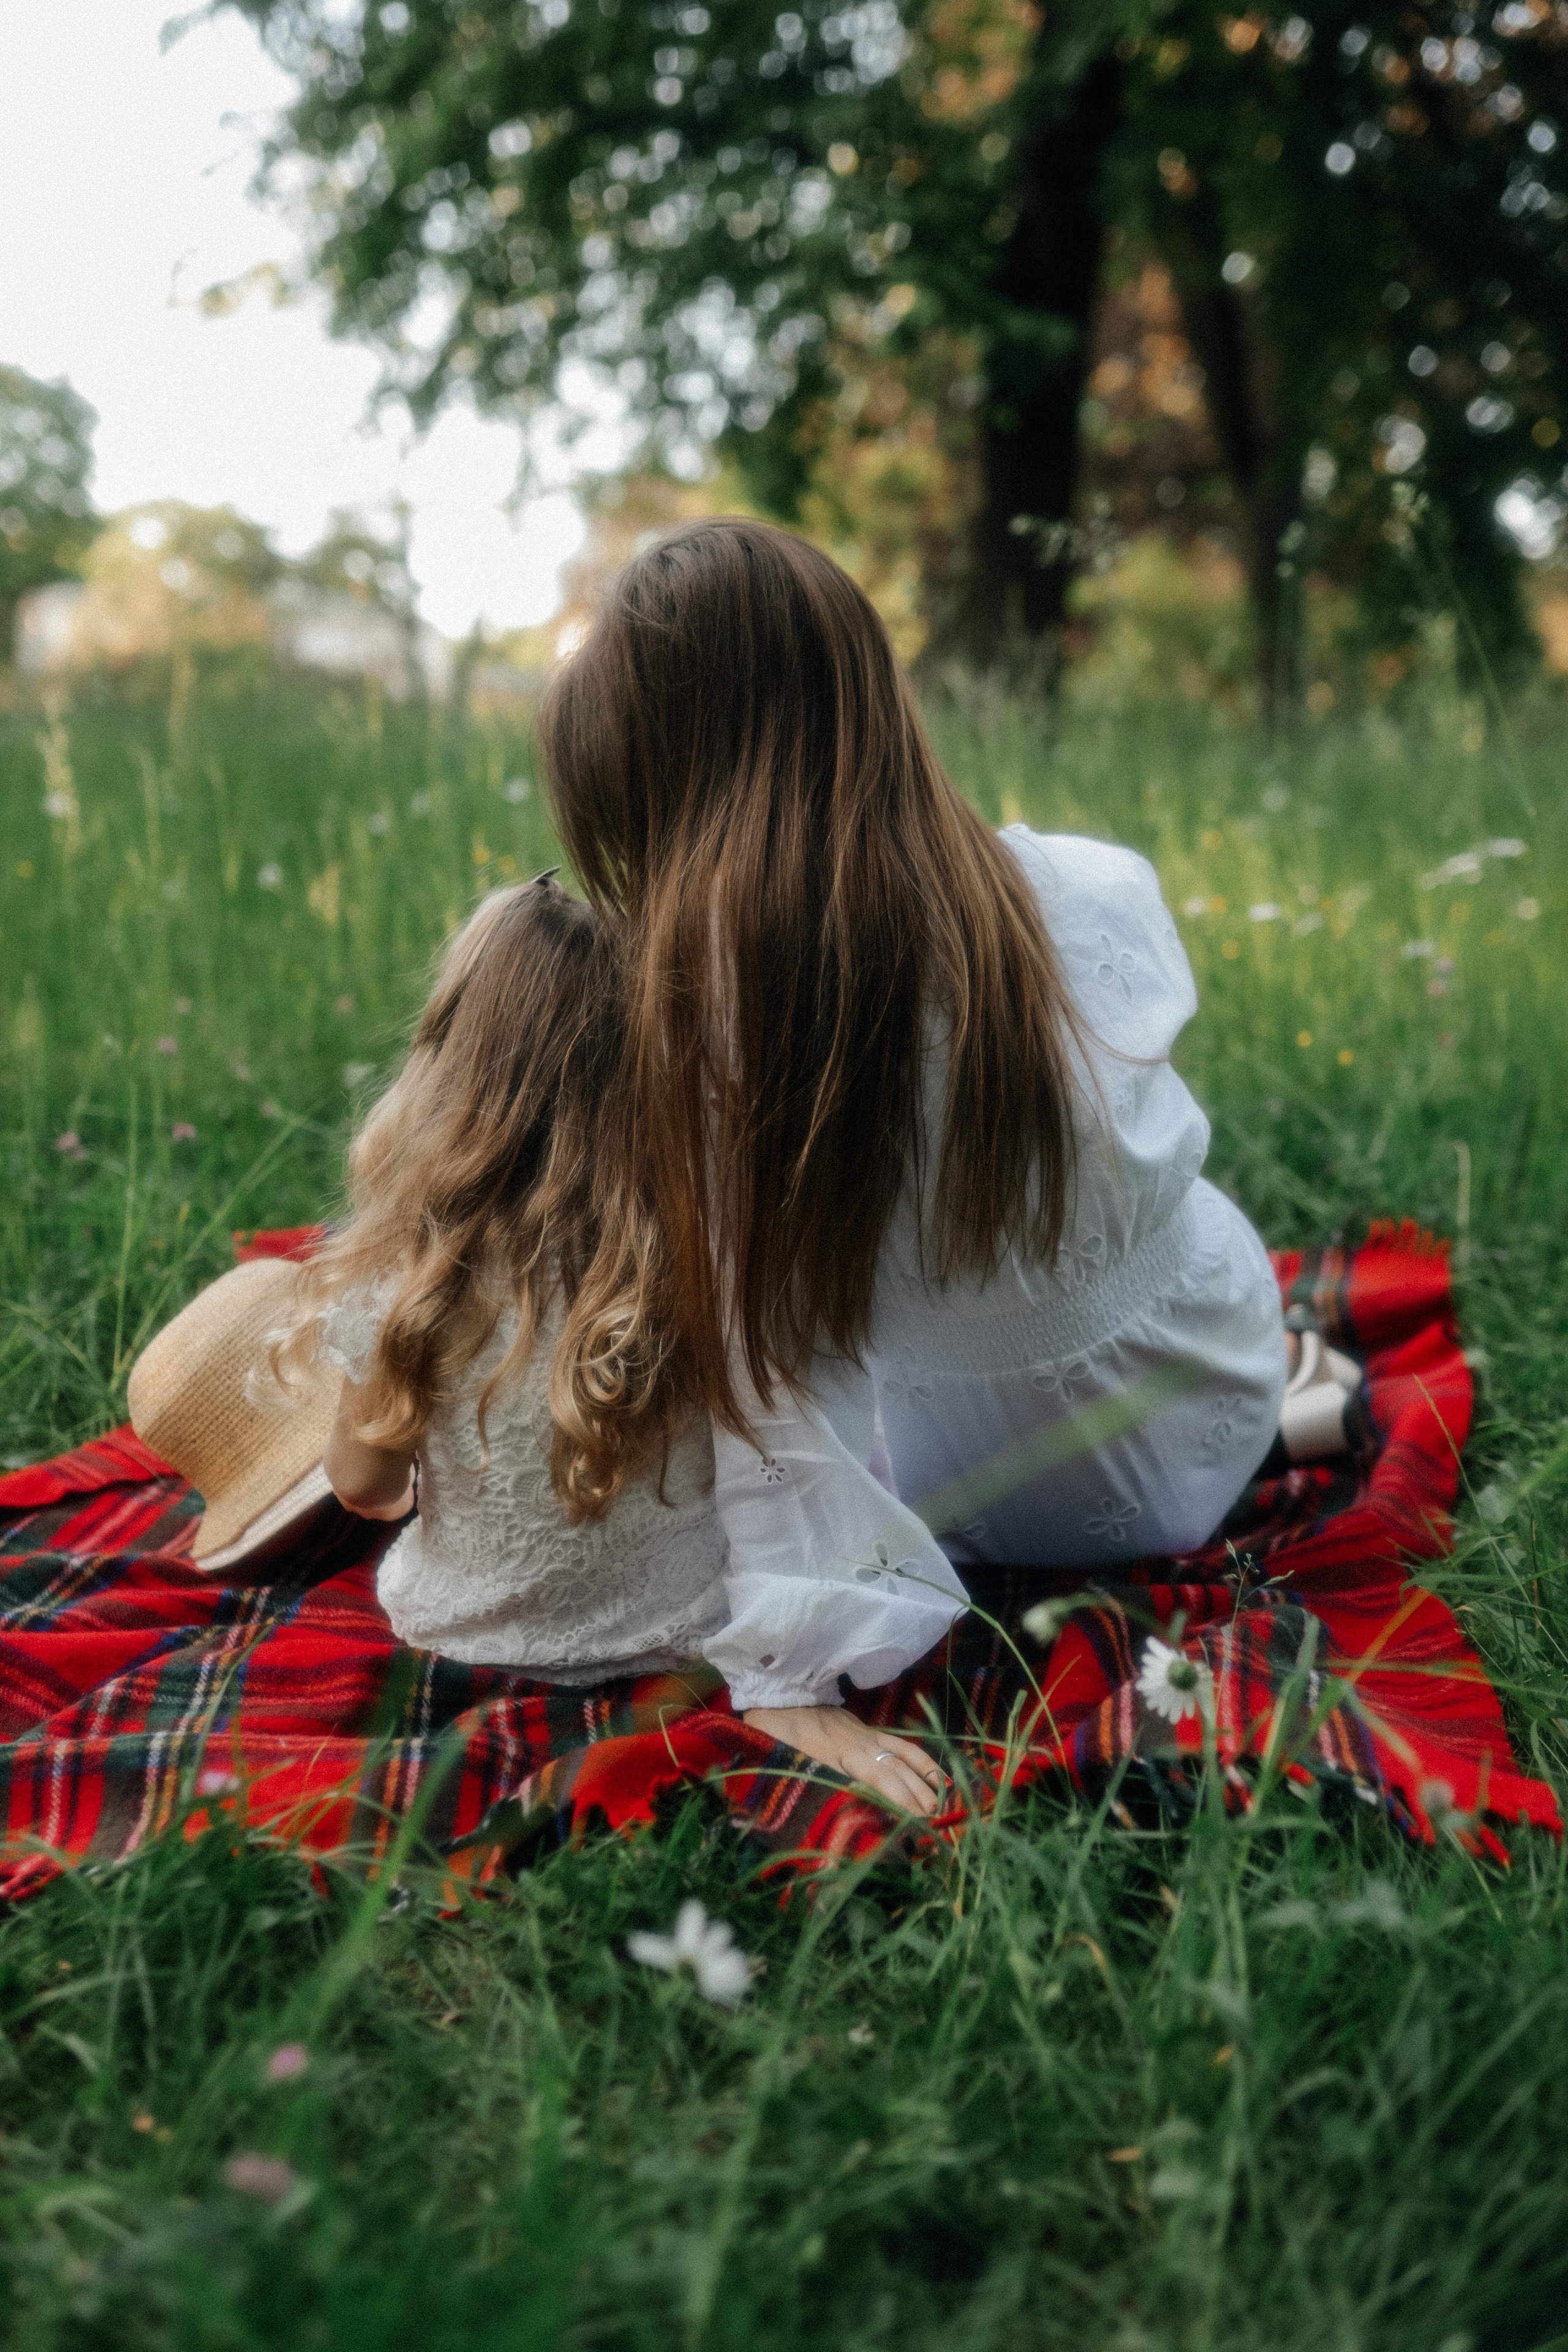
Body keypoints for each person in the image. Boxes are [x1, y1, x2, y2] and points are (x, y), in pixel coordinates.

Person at [536, 517, 1289, 1820]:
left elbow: (762, 1365)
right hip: (1209, 1395)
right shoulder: (1084, 887)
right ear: (869, 700)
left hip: (981, 1494)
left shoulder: (716, 1017)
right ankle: (1302, 1384)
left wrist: (786, 1666)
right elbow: (1146, 1164)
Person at [281, 878, 734, 1690]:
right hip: (684, 1626)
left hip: (472, 1633)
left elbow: (361, 1486)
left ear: (450, 1054)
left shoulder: (404, 1276)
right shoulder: (696, 1249)